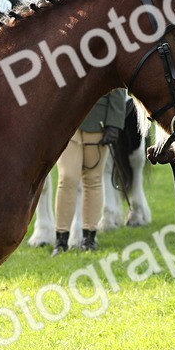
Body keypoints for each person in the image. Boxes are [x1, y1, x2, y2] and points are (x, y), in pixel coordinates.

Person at [52, 90, 125, 254]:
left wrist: (114, 123)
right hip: (67, 121)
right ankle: (61, 240)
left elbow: (118, 86)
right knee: (67, 178)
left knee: (93, 180)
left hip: (98, 120)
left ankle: (89, 239)